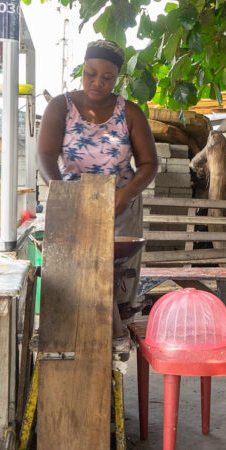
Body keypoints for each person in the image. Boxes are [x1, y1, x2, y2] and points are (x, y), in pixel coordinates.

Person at [38, 40, 158, 330]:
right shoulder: (61, 106)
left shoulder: (130, 112)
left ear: (118, 78)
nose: (97, 83)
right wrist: (62, 193)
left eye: (107, 78)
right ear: (83, 69)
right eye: (91, 74)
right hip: (71, 208)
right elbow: (45, 154)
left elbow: (149, 164)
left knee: (115, 288)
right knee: (73, 286)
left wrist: (124, 195)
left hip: (120, 209)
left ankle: (115, 349)